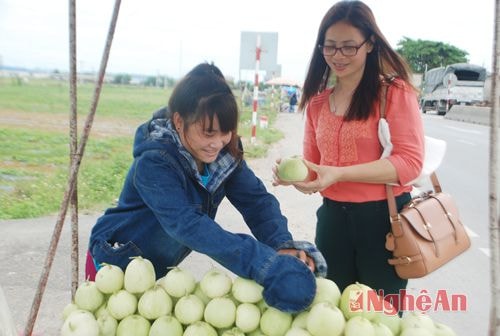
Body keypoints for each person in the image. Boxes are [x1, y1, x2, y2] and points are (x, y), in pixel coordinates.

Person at [85, 62, 326, 313]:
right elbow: (188, 225)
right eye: (208, 133)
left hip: (160, 275)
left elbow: (256, 201)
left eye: (226, 132)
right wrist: (264, 264)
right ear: (179, 121)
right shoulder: (155, 162)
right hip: (115, 263)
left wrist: (282, 245)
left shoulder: (225, 152)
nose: (217, 143)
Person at [273, 0, 424, 303]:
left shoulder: (394, 93)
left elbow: (410, 163)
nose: (338, 56)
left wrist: (339, 173)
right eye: (330, 47)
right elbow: (316, 171)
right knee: (329, 309)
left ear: (369, 44)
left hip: (383, 223)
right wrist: (297, 178)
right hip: (332, 222)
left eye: (348, 47)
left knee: (380, 315)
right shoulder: (317, 103)